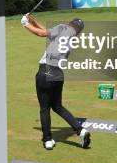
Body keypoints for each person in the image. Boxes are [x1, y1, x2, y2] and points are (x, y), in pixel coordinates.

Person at [21, 13, 91, 150]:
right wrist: (33, 21)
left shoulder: (62, 27)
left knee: (44, 108)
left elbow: (42, 34)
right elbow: (48, 33)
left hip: (46, 70)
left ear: (70, 23)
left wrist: (25, 24)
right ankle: (81, 130)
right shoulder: (72, 37)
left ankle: (48, 139)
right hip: (58, 73)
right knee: (58, 106)